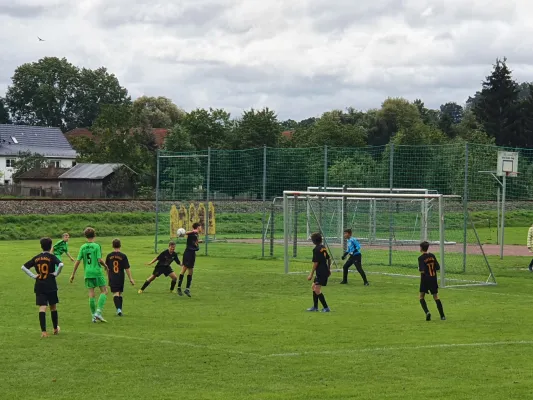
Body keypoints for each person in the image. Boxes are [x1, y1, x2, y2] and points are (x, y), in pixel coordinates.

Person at [21, 237, 63, 337]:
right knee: (53, 306)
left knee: (42, 307)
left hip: (40, 284)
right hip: (51, 284)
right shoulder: (51, 257)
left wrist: (33, 276)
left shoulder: (36, 257)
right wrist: (56, 273)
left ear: (41, 246)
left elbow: (23, 267)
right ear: (51, 246)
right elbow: (61, 264)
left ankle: (43, 332)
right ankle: (55, 328)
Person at [70, 227, 109, 323]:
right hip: (97, 271)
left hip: (87, 273)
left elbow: (78, 261)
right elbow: (99, 259)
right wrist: (106, 266)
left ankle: (93, 316)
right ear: (94, 235)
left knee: (91, 294)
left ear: (85, 236)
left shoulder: (82, 247)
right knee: (104, 291)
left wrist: (73, 274)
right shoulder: (96, 246)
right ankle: (98, 312)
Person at [105, 239, 135, 316]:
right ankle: (119, 310)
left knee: (116, 293)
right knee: (119, 293)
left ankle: (118, 309)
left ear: (112, 245)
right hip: (121, 276)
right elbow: (127, 268)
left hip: (112, 276)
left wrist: (108, 277)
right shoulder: (123, 256)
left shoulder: (109, 256)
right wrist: (131, 278)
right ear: (120, 245)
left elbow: (107, 268)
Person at [418, 241, 446, 321]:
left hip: (425, 279)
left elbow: (422, 270)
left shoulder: (421, 258)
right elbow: (437, 267)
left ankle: (427, 312)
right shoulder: (432, 256)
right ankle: (442, 316)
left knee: (421, 296)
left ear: (421, 248)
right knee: (436, 296)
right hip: (433, 279)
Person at [306, 232, 331, 312]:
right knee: (314, 287)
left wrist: (311, 274)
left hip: (321, 272)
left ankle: (326, 308)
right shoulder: (322, 247)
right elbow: (328, 258)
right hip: (324, 270)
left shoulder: (316, 249)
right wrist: (329, 269)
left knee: (317, 289)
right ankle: (315, 307)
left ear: (313, 241)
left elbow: (316, 263)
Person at [177, 223, 203, 297]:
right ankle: (179, 287)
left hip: (192, 254)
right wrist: (193, 231)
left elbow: (194, 243)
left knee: (191, 271)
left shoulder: (196, 235)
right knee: (184, 269)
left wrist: (198, 242)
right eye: (200, 227)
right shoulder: (193, 233)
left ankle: (187, 289)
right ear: (198, 227)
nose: (201, 228)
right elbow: (186, 233)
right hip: (188, 253)